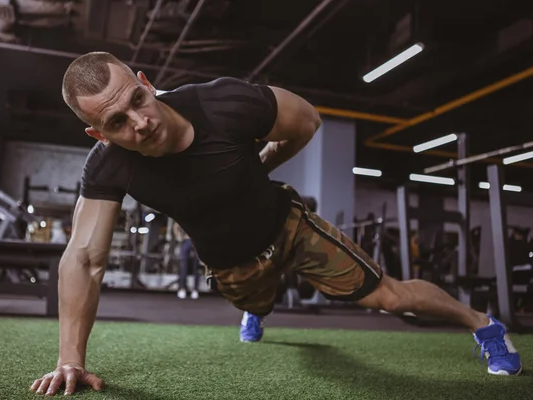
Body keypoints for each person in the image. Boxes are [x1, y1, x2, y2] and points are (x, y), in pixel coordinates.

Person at [30, 51, 523, 397]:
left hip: (289, 228)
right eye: (116, 123)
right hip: (231, 263)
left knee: (388, 297)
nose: (139, 122)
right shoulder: (109, 165)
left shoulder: (224, 103)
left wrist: (260, 162)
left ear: (144, 81)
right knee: (256, 302)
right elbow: (85, 257)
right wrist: (70, 358)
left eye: (137, 99)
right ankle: (257, 309)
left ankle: (485, 326)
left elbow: (306, 120)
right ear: (98, 133)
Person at [172, 221, 201, 299]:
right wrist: (178, 236)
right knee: (184, 265)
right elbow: (176, 225)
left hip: (196, 242)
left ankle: (195, 290)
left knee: (196, 266)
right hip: (187, 240)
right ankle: (182, 289)